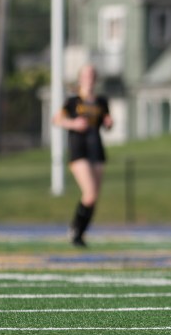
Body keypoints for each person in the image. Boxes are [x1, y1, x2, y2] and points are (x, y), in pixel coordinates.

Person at [52, 64, 113, 247]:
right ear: (80, 77)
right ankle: (76, 231)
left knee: (94, 196)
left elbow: (107, 123)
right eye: (86, 74)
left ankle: (80, 233)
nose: (89, 77)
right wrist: (73, 124)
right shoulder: (73, 101)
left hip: (97, 149)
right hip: (79, 149)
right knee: (90, 193)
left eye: (92, 74)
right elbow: (57, 120)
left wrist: (109, 123)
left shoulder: (101, 101)